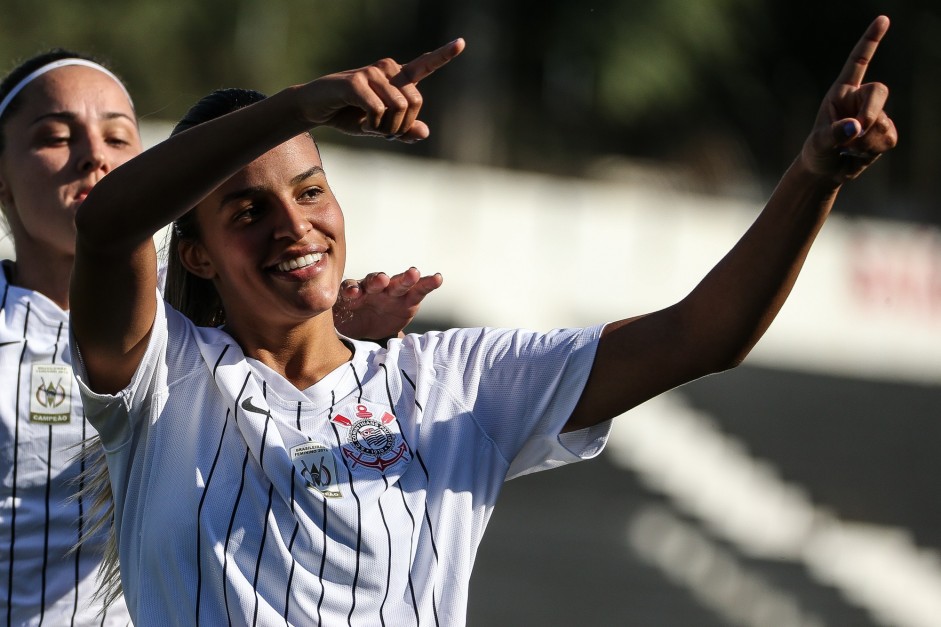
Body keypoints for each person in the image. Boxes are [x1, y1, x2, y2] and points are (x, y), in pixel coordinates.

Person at [69, 15, 896, 627]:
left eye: (311, 189)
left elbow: (698, 336)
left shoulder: (449, 382)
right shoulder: (157, 380)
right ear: (198, 254)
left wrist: (813, 173)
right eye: (248, 210)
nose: (294, 226)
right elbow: (107, 226)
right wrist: (303, 106)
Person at [0, 48, 443, 626]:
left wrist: (336, 342)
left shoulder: (216, 313)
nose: (95, 158)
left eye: (118, 137)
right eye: (57, 137)